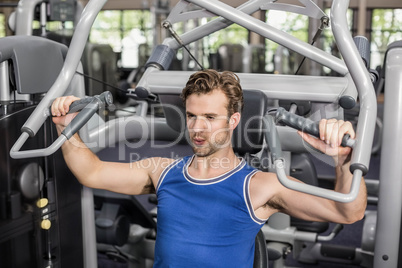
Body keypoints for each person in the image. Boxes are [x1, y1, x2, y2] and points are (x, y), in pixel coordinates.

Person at [51, 69, 367, 267]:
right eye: (192, 116)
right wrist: (67, 129)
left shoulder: (260, 186)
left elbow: (348, 213)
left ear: (233, 120)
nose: (198, 127)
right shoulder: (161, 171)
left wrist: (341, 161)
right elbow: (90, 172)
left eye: (210, 117)